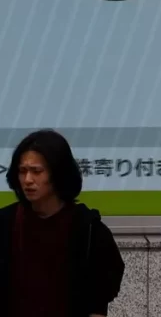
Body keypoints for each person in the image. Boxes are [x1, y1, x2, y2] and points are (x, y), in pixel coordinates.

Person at [0, 129, 125, 317]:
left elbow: (98, 304)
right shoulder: (5, 224)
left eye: (37, 171)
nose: (28, 180)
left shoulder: (90, 231)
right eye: (22, 171)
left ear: (58, 173)